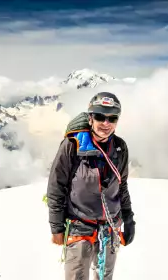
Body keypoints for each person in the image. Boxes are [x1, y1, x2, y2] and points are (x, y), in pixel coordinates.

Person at [47, 92, 136, 280]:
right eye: (100, 117)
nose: (106, 123)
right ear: (90, 118)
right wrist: (57, 228)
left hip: (110, 227)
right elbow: (57, 186)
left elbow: (122, 187)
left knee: (104, 277)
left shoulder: (120, 148)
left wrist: (128, 220)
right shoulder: (73, 145)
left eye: (112, 118)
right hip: (79, 224)